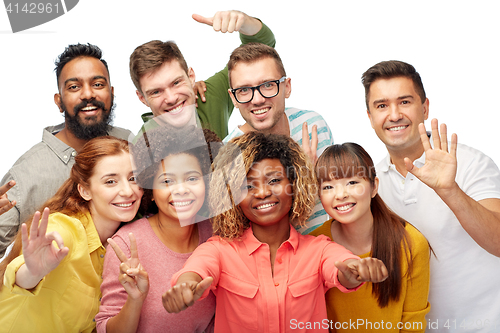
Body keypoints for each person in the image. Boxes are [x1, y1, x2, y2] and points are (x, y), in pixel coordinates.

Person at [162, 132, 388, 333]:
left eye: (274, 180)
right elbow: (197, 270)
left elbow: (341, 267)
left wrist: (354, 270)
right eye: (248, 186)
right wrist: (186, 286)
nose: (262, 192)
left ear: (294, 184)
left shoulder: (319, 249)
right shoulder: (219, 250)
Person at [362, 60, 500, 331]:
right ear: (370, 117)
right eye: (381, 105)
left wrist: (450, 191)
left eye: (404, 102)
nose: (394, 115)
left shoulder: (471, 163)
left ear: (424, 108)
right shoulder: (371, 183)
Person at [0, 44, 131, 257]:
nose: (88, 94)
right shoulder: (25, 175)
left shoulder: (130, 143)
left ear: (111, 93)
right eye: (73, 87)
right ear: (59, 101)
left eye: (98, 84)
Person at [0, 136, 143, 333]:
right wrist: (33, 272)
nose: (128, 191)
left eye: (133, 178)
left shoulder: (119, 247)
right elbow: (20, 274)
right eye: (110, 181)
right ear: (85, 190)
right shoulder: (64, 227)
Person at [96, 126, 222, 333]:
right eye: (167, 181)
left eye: (192, 178)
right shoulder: (127, 244)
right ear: (150, 191)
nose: (181, 190)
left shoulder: (217, 233)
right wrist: (135, 300)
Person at [310, 143, 430, 332]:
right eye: (328, 187)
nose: (340, 194)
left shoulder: (411, 243)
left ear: (374, 186)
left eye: (352, 183)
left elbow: (413, 323)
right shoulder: (313, 245)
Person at [223, 42, 334, 233]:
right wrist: (303, 177)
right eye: (244, 90)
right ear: (233, 98)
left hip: (325, 246)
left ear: (287, 87)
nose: (257, 99)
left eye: (267, 85)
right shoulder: (227, 153)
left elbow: (339, 196)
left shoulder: (313, 125)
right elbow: (245, 231)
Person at [131, 10, 276, 140]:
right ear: (142, 98)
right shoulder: (144, 147)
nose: (171, 98)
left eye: (176, 83)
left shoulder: (209, 96)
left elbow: (263, 47)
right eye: (156, 92)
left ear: (191, 77)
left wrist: (244, 22)